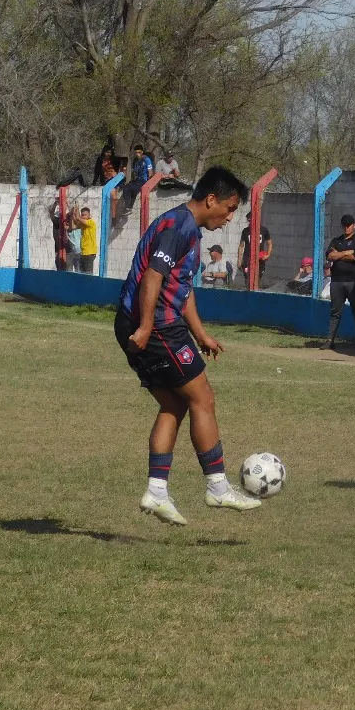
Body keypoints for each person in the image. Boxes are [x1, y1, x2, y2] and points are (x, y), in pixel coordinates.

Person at [115, 166, 261, 525]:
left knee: (175, 403)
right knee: (203, 398)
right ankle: (217, 486)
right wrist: (148, 326)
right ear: (210, 199)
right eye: (228, 209)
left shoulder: (187, 230)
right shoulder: (178, 226)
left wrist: (201, 334)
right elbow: (153, 277)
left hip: (141, 322)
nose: (229, 218)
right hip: (157, 325)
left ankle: (157, 491)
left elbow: (182, 287)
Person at [325, 213, 355, 350]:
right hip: (337, 281)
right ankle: (330, 340)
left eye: (349, 225)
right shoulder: (336, 240)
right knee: (335, 311)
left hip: (354, 282)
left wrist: (339, 254)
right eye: (344, 225)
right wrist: (345, 253)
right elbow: (329, 256)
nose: (346, 228)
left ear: (354, 226)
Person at [237, 210, 272, 289]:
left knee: (257, 279)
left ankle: (255, 292)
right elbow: (241, 246)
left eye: (250, 219)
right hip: (247, 258)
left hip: (259, 258)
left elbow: (269, 243)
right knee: (247, 279)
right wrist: (239, 260)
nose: (249, 221)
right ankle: (248, 293)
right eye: (248, 219)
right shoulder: (245, 231)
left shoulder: (264, 230)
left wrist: (268, 255)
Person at [70, 206, 99, 274]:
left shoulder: (91, 222)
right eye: (82, 215)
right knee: (83, 273)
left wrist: (76, 213)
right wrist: (72, 215)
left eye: (85, 215)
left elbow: (78, 218)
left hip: (89, 253)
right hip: (83, 252)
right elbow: (73, 226)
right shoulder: (83, 224)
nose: (83, 216)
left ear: (89, 215)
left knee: (88, 274)